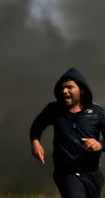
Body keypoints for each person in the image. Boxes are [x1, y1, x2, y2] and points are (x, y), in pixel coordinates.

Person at [30, 67, 105, 198]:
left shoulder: (97, 112)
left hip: (93, 173)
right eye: (62, 88)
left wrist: (100, 144)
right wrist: (35, 141)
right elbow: (37, 126)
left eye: (69, 87)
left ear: (81, 90)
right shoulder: (53, 109)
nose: (64, 91)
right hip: (66, 173)